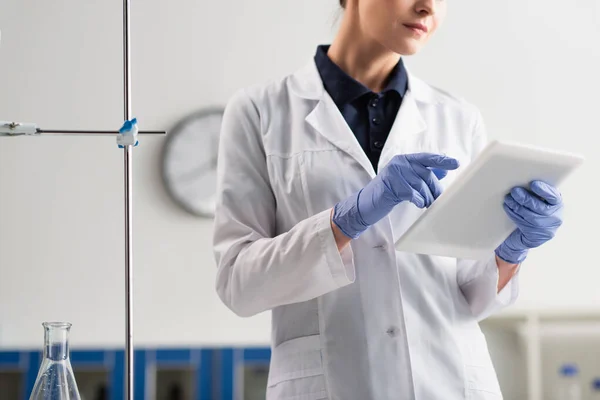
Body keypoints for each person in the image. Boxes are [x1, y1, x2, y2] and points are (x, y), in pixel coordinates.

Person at [212, 0, 564, 399]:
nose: (427, 7)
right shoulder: (260, 112)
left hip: (449, 383)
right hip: (333, 383)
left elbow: (472, 295)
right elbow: (239, 284)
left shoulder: (457, 117)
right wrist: (347, 219)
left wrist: (510, 251)